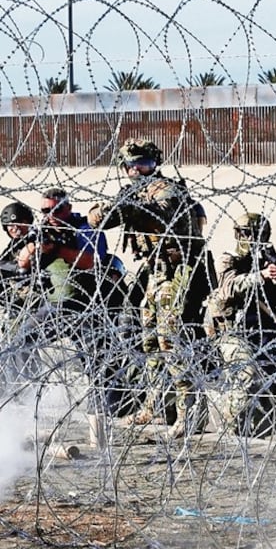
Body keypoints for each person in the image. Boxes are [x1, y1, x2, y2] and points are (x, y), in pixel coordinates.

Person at [90, 137, 216, 439]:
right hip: (154, 270)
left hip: (179, 268)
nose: (137, 170)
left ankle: (190, 413)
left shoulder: (167, 189)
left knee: (170, 340)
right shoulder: (132, 192)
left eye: (143, 164)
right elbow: (98, 219)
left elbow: (159, 212)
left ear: (155, 164)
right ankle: (156, 405)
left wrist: (127, 207)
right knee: (149, 340)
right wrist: (120, 205)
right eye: (131, 166)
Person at [205, 212, 276, 437]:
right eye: (247, 234)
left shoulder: (266, 259)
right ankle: (231, 429)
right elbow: (228, 288)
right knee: (245, 372)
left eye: (258, 234)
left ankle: (256, 431)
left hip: (262, 331)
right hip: (231, 331)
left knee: (274, 382)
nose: (252, 239)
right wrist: (260, 276)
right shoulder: (229, 259)